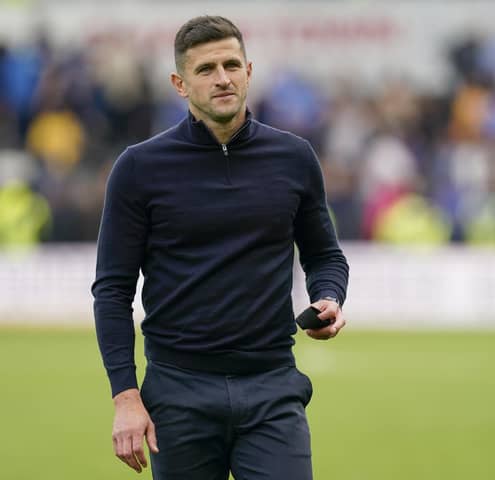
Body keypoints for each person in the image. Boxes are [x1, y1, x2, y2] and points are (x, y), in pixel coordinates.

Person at [91, 15, 349, 480]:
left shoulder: (294, 157)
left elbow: (324, 255)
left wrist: (329, 296)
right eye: (206, 69)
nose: (223, 78)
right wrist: (126, 396)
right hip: (176, 392)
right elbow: (112, 290)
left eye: (232, 64)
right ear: (180, 84)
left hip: (272, 384)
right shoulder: (138, 168)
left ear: (249, 71)